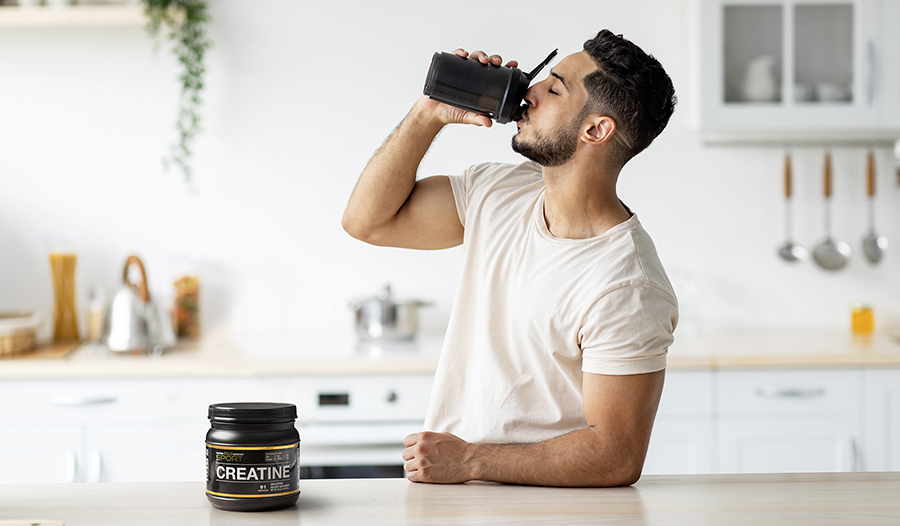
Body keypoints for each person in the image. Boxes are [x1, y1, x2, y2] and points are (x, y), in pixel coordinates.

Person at [342, 29, 678, 487]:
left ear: (596, 130)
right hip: (455, 500)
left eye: (554, 88)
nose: (530, 90)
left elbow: (614, 455)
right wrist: (430, 113)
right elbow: (368, 222)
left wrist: (470, 461)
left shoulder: (628, 285)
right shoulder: (498, 192)